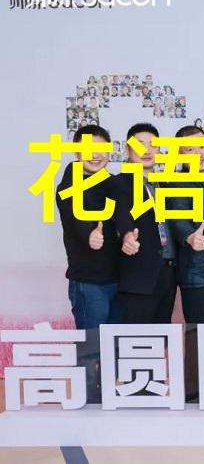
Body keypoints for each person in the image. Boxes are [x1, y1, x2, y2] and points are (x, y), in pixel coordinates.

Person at [56, 125, 120, 402]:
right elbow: (76, 217)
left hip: (119, 279)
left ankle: (109, 399)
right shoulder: (69, 185)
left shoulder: (113, 183)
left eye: (101, 149)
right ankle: (87, 403)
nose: (95, 155)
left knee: (113, 345)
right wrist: (90, 235)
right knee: (90, 347)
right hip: (89, 282)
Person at [112, 123, 177, 324]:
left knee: (163, 336)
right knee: (137, 338)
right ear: (127, 149)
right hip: (139, 275)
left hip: (169, 272)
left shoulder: (165, 184)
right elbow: (121, 213)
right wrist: (127, 235)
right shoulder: (119, 183)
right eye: (140, 144)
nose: (147, 150)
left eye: (152, 145)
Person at [167, 125, 204, 324]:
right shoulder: (178, 182)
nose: (198, 154)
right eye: (189, 149)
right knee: (200, 337)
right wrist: (189, 236)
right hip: (198, 274)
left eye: (201, 147)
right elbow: (178, 217)